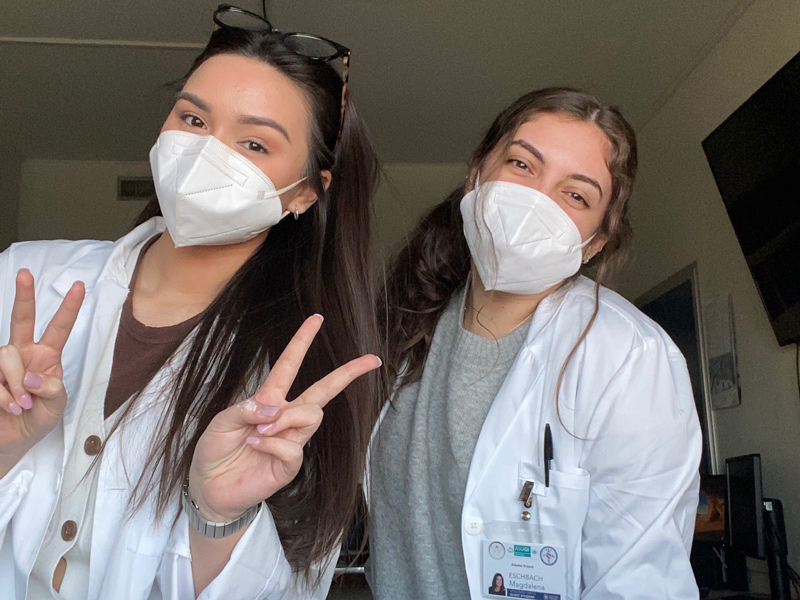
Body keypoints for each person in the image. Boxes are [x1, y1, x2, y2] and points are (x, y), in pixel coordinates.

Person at [0, 5, 381, 599]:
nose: (209, 153)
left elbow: (292, 589)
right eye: (194, 119)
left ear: (306, 192)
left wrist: (219, 519)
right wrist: (6, 447)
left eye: (254, 143)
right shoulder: (23, 277)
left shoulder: (304, 378)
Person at [370, 88, 702, 599]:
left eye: (576, 195)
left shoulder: (629, 359)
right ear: (476, 174)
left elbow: (638, 584)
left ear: (595, 242)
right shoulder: (407, 323)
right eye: (522, 165)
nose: (534, 202)